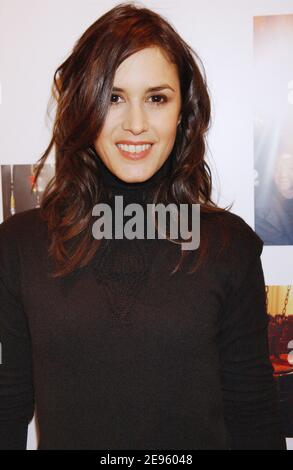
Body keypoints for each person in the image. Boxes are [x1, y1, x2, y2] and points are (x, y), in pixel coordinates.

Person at [0, 2, 287, 450]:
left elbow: (252, 415)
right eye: (113, 97)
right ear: (83, 105)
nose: (136, 124)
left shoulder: (229, 246)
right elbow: (8, 408)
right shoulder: (19, 245)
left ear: (182, 112)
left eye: (156, 98)